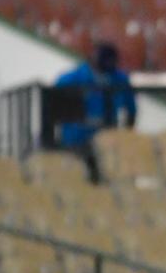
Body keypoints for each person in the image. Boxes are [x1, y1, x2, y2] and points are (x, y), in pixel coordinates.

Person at [54, 42, 137, 183]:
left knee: (106, 184)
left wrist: (124, 136)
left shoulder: (120, 79)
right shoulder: (70, 80)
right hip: (76, 142)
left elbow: (131, 111)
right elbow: (55, 110)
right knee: (77, 183)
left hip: (107, 144)